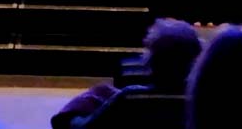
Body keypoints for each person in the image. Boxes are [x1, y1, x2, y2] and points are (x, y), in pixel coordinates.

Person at [50, 18, 202, 129]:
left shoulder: (129, 98)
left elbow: (77, 126)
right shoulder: (204, 101)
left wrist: (80, 105)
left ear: (151, 60)